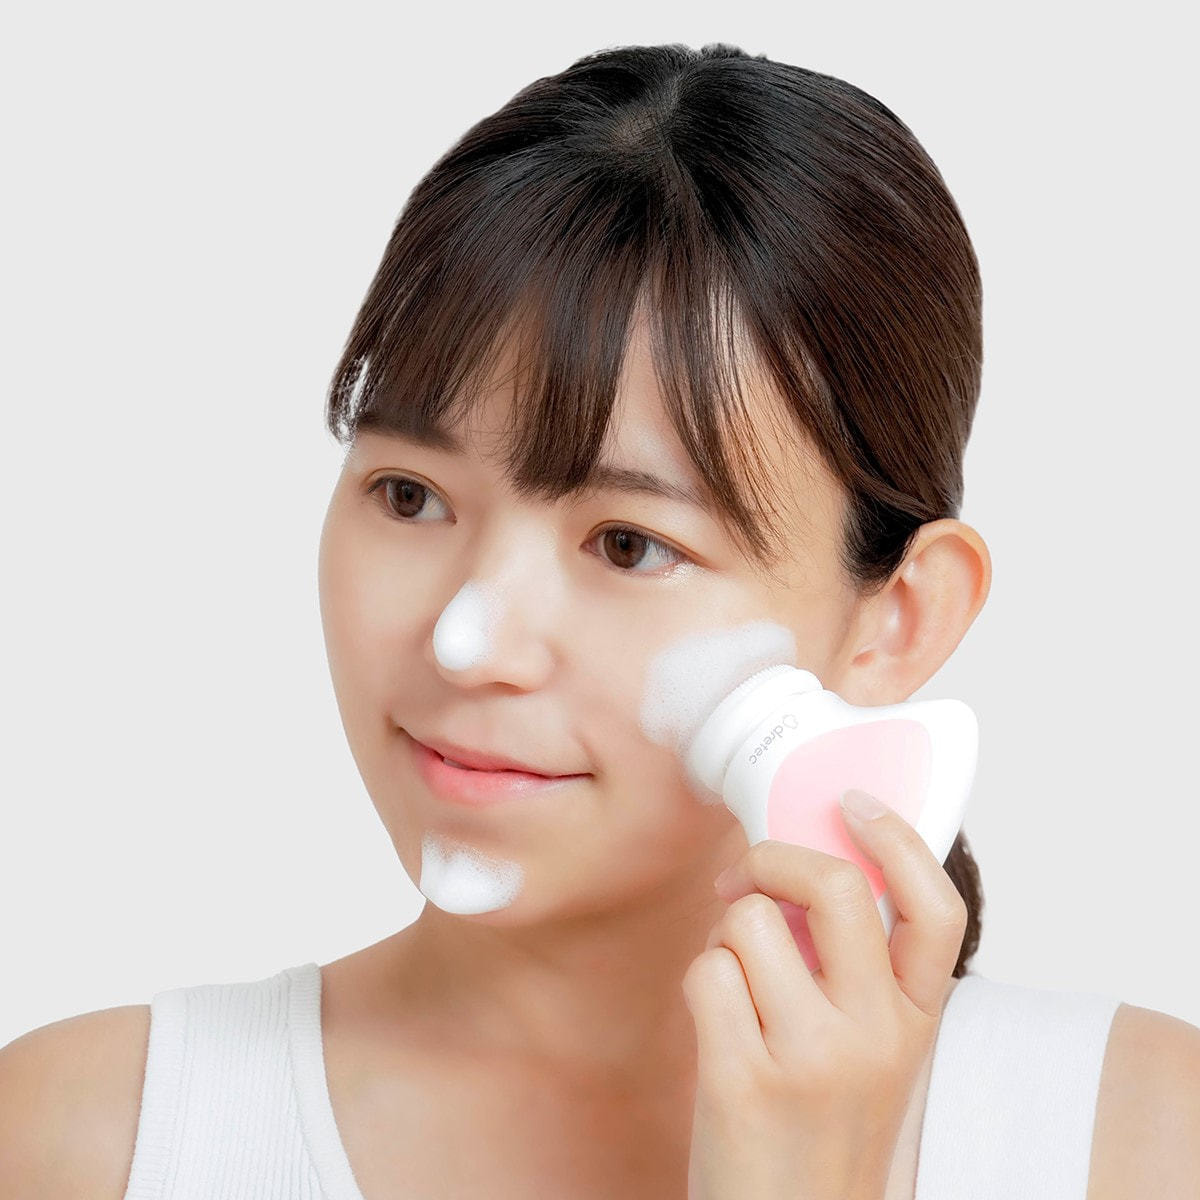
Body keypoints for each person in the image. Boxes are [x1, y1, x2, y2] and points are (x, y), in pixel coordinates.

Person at [2, 40, 1197, 1200]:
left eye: (630, 544)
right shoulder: (86, 1141)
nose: (469, 639)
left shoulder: (1141, 1143)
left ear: (899, 621)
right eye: (409, 496)